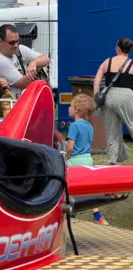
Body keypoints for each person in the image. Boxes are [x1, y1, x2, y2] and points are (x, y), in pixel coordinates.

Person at [66, 94, 109, 225]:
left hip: (75, 161)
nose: (68, 108)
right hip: (87, 159)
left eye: (70, 106)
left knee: (70, 188)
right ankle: (98, 216)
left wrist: (65, 156)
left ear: (77, 109)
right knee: (87, 190)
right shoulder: (89, 126)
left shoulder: (74, 126)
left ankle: (71, 216)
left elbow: (70, 147)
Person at [94, 38, 133, 165]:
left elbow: (97, 80)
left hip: (109, 97)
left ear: (117, 48)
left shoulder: (107, 62)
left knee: (112, 132)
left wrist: (97, 97)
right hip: (127, 97)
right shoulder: (132, 65)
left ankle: (111, 161)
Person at [0, 24, 50, 99]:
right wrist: (36, 68)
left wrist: (34, 63)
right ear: (0, 41)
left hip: (23, 101)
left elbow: (46, 59)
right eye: (11, 42)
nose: (16, 45)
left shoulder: (20, 50)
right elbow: (23, 83)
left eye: (18, 41)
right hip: (11, 105)